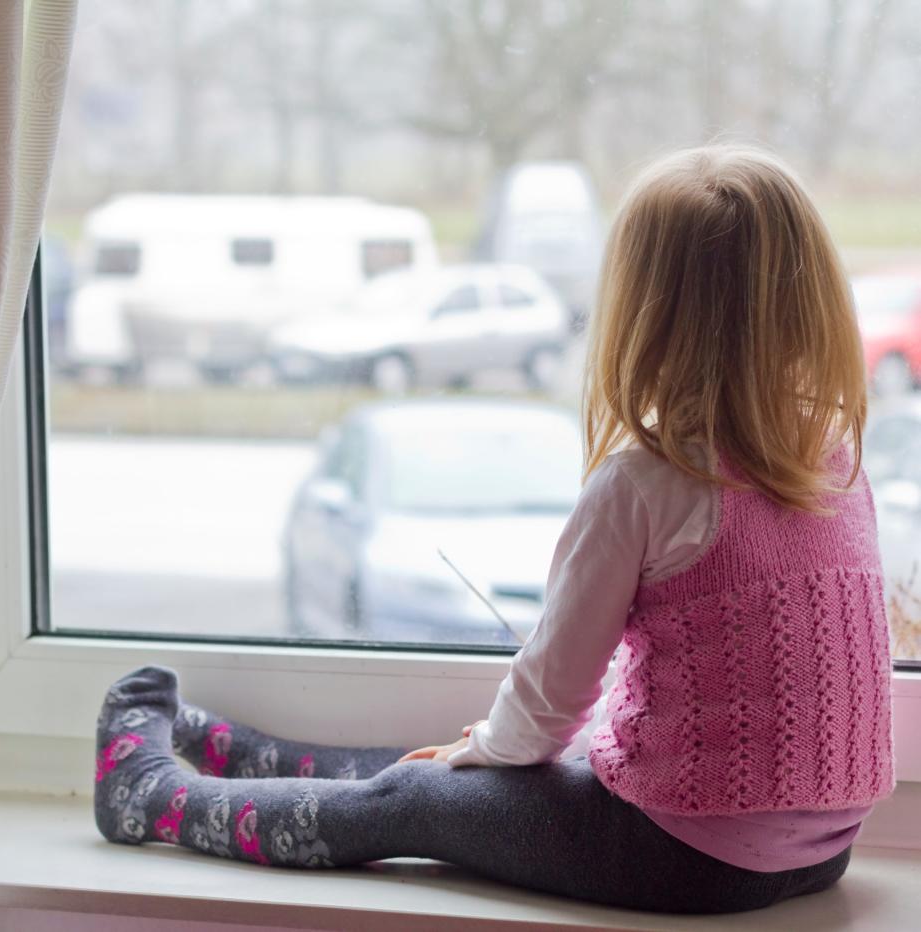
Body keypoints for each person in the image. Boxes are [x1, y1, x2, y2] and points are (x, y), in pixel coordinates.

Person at [92, 145, 895, 914]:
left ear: (641, 316)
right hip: (823, 849)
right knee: (456, 765)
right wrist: (480, 750)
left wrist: (485, 749)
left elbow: (550, 703)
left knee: (417, 796)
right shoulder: (837, 462)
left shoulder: (646, 483)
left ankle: (153, 799)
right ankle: (244, 754)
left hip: (682, 855)